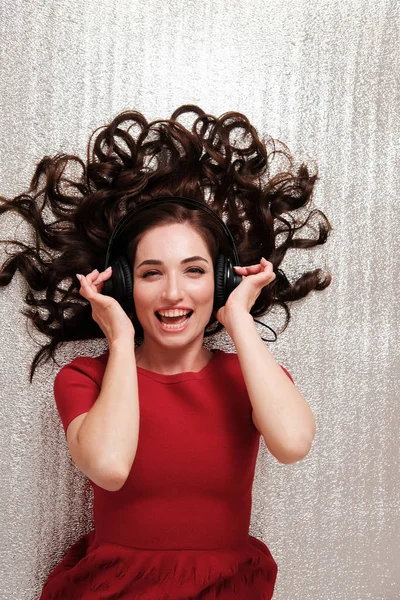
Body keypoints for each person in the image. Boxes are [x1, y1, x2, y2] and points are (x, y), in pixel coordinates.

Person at [0, 105, 332, 599]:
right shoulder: (84, 378)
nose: (174, 293)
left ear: (219, 281)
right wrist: (116, 337)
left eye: (195, 271)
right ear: (129, 284)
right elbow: (109, 467)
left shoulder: (252, 376)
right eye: (152, 273)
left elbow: (293, 443)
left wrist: (238, 317)